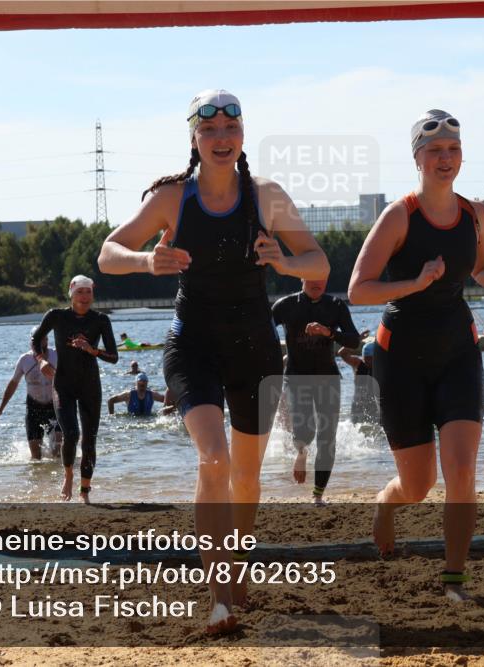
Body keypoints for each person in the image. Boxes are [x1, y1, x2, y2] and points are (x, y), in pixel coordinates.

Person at [97, 90, 328, 633]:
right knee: (214, 460)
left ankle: (237, 569)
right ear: (195, 139)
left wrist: (285, 259)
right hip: (193, 343)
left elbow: (318, 261)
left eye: (231, 129)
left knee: (246, 480)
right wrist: (145, 261)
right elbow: (109, 252)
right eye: (210, 131)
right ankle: (220, 595)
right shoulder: (171, 198)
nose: (221, 139)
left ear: (241, 137)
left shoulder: (266, 196)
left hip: (254, 346)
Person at [348, 110, 484, 602]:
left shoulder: (477, 214)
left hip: (457, 351)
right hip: (400, 357)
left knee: (462, 469)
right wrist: (415, 282)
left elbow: (482, 269)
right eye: (435, 151)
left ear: (462, 156)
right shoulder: (399, 216)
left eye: (453, 150)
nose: (445, 159)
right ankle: (387, 503)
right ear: (417, 159)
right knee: (418, 484)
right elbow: (358, 290)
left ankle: (454, 580)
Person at [272, 279, 361, 506]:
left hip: (328, 378)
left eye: (321, 279)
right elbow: (261, 330)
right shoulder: (285, 305)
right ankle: (301, 453)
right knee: (304, 427)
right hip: (296, 378)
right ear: (302, 278)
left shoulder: (336, 305)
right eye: (311, 279)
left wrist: (329, 332)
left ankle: (318, 495)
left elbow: (354, 338)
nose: (317, 284)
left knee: (327, 438)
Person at [31, 275, 118, 504]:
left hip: (90, 386)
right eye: (80, 292)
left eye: (88, 292)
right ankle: (68, 474)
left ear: (93, 293)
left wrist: (92, 350)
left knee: (89, 440)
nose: (84, 297)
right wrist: (40, 359)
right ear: (71, 293)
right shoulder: (56, 316)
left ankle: (85, 490)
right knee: (71, 434)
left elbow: (114, 357)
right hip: (64, 385)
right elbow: (36, 338)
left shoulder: (100, 320)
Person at [0, 327, 62, 459]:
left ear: (47, 339)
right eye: (37, 340)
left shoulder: (56, 355)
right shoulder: (25, 360)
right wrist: (1, 409)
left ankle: (56, 477)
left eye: (44, 339)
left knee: (57, 452)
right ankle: (38, 479)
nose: (42, 342)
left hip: (54, 406)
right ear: (31, 342)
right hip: (34, 408)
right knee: (36, 457)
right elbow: (13, 383)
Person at [339, 341, 379, 426]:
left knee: (376, 429)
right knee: (356, 427)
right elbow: (342, 353)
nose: (367, 361)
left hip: (374, 405)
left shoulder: (380, 366)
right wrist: (356, 340)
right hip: (358, 405)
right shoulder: (357, 363)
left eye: (370, 358)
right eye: (366, 358)